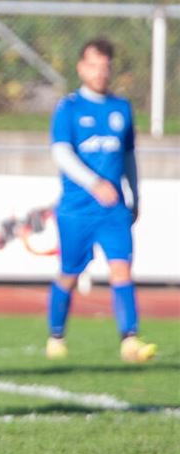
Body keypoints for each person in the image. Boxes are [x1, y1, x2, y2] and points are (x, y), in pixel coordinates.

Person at [46, 39, 156, 363]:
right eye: (93, 65)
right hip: (77, 210)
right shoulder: (69, 108)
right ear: (81, 67)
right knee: (69, 272)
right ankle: (56, 335)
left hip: (114, 210)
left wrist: (135, 195)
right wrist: (94, 183)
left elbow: (129, 156)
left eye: (105, 66)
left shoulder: (121, 108)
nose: (100, 72)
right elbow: (61, 153)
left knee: (121, 270)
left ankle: (130, 341)